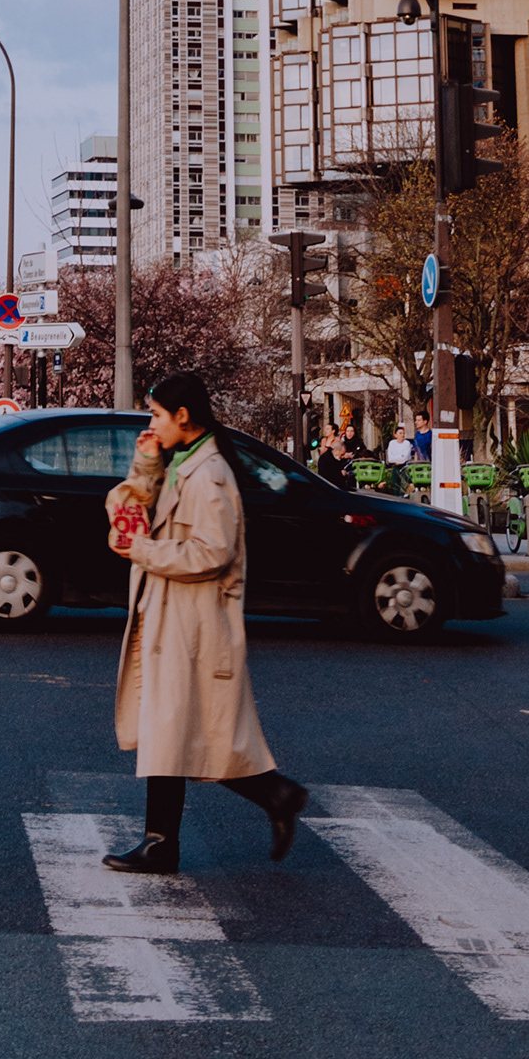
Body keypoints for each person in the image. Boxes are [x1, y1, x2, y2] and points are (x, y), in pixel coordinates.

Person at [98, 370, 307, 878]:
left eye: (157, 415)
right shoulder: (184, 462)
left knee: (183, 734)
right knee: (172, 733)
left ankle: (178, 837)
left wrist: (143, 550)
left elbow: (213, 552)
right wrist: (147, 464)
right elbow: (138, 506)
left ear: (183, 416)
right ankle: (172, 839)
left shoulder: (209, 473)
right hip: (175, 617)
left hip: (193, 624)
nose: (151, 424)